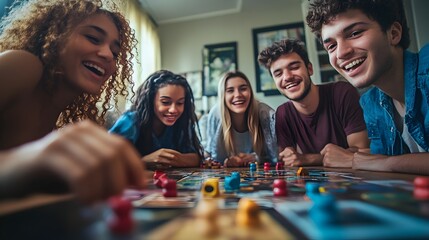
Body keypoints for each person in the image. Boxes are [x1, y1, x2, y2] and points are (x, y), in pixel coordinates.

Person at [0, 0, 145, 203]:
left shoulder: (58, 107)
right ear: (56, 34)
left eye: (115, 51)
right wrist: (33, 159)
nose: (107, 55)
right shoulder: (24, 65)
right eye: (93, 38)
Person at [306, 0, 429, 175]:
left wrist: (382, 163)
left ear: (393, 33)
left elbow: (379, 163)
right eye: (331, 46)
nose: (341, 53)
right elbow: (377, 161)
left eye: (355, 33)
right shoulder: (370, 102)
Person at [258, 39, 369, 168]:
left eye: (294, 67)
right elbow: (288, 159)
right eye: (278, 74)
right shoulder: (282, 113)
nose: (287, 77)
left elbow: (362, 151)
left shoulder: (342, 93)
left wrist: (311, 159)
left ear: (309, 69)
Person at [109, 70, 204, 169]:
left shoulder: (181, 122)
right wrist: (145, 161)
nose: (173, 110)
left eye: (180, 103)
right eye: (165, 102)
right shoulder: (130, 121)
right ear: (151, 100)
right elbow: (106, 161)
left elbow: (196, 157)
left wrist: (174, 158)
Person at [205, 71, 277, 167]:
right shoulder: (216, 114)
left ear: (250, 92)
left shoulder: (265, 114)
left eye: (243, 89)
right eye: (230, 90)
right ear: (223, 96)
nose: (238, 95)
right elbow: (211, 154)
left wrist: (256, 158)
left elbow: (277, 156)